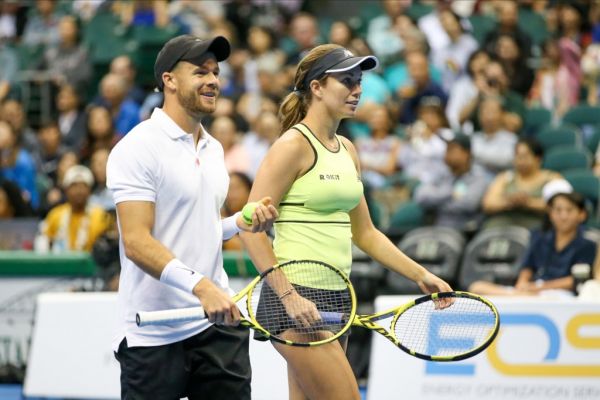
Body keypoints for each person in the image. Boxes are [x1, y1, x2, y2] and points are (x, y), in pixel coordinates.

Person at [240, 44, 452, 400]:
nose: (357, 90)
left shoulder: (348, 149)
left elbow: (366, 233)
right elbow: (250, 229)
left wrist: (421, 274)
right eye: (346, 81)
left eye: (359, 81)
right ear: (317, 88)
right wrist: (289, 297)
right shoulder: (292, 146)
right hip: (293, 297)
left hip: (338, 296)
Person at [106, 35, 278, 400]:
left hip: (218, 326)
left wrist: (239, 223)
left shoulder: (214, 149)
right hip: (153, 333)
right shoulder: (136, 149)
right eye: (200, 72)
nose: (213, 80)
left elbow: (198, 232)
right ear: (169, 80)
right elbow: (137, 243)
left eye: (216, 72)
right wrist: (201, 287)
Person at [470, 180, 597, 297]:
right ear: (550, 213)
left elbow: (576, 280)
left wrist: (539, 288)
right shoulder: (539, 237)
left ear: (582, 214)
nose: (563, 216)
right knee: (477, 287)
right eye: (558, 210)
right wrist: (522, 284)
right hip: (531, 291)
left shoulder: (588, 243)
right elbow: (527, 267)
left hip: (560, 294)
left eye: (569, 210)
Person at [42, 164, 110, 252]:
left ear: (90, 190)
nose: (79, 190)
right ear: (66, 190)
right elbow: (44, 244)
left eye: (84, 185)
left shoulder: (101, 215)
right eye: (74, 186)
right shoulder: (55, 214)